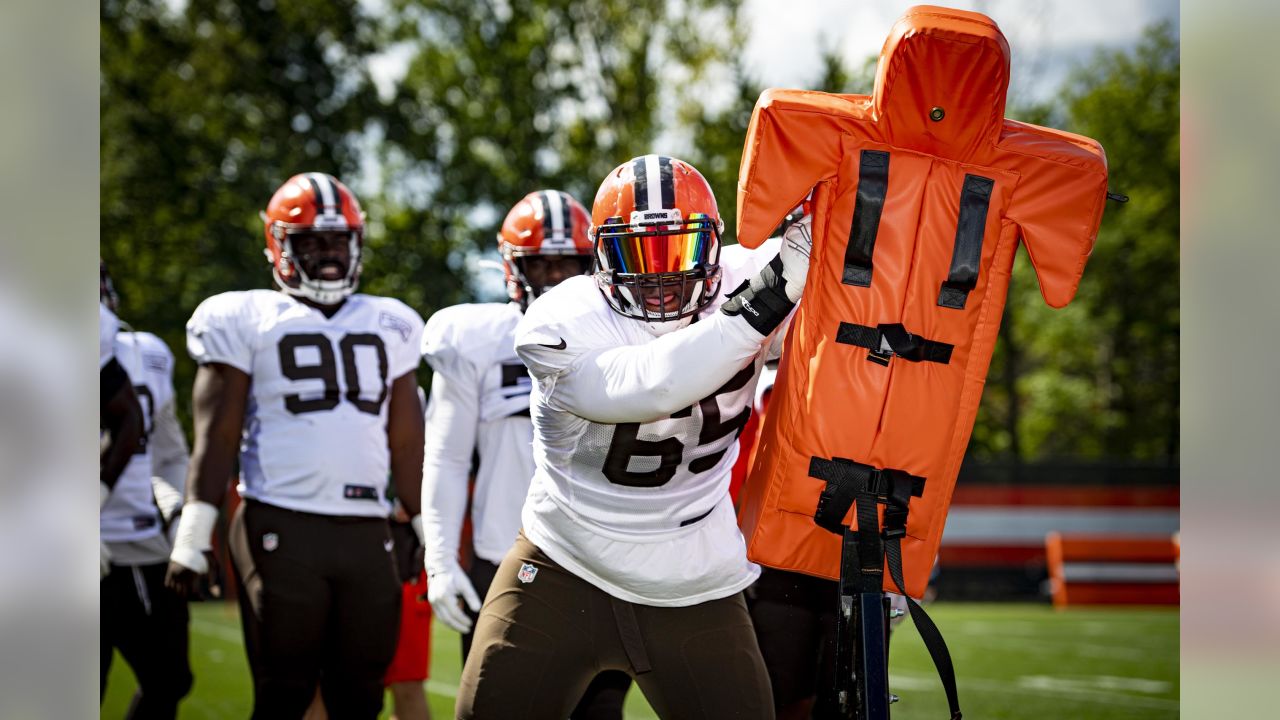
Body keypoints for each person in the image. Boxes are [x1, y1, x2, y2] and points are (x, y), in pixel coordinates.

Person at [456, 155, 813, 718]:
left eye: (682, 251)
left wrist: (834, 218)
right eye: (637, 253)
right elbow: (649, 385)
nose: (662, 276)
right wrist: (766, 304)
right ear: (600, 255)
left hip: (693, 573)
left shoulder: (756, 275)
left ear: (715, 247)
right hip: (562, 563)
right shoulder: (559, 322)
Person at [164, 173, 427, 719]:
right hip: (280, 518)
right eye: (310, 241)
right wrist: (193, 533)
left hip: (365, 526)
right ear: (279, 245)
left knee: (360, 696)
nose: (328, 255)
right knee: (285, 692)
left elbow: (406, 444)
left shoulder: (392, 321)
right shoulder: (246, 317)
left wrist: (429, 531)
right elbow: (217, 437)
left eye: (338, 241)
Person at [420, 190, 632, 718]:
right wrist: (441, 560)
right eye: (543, 263)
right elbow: (445, 457)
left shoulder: (628, 332)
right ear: (513, 268)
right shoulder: (476, 337)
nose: (558, 278)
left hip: (604, 558)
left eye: (570, 263)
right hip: (508, 560)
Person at [98, 261, 194, 719]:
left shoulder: (148, 354)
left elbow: (169, 453)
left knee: (170, 679)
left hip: (142, 545)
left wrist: (177, 513)